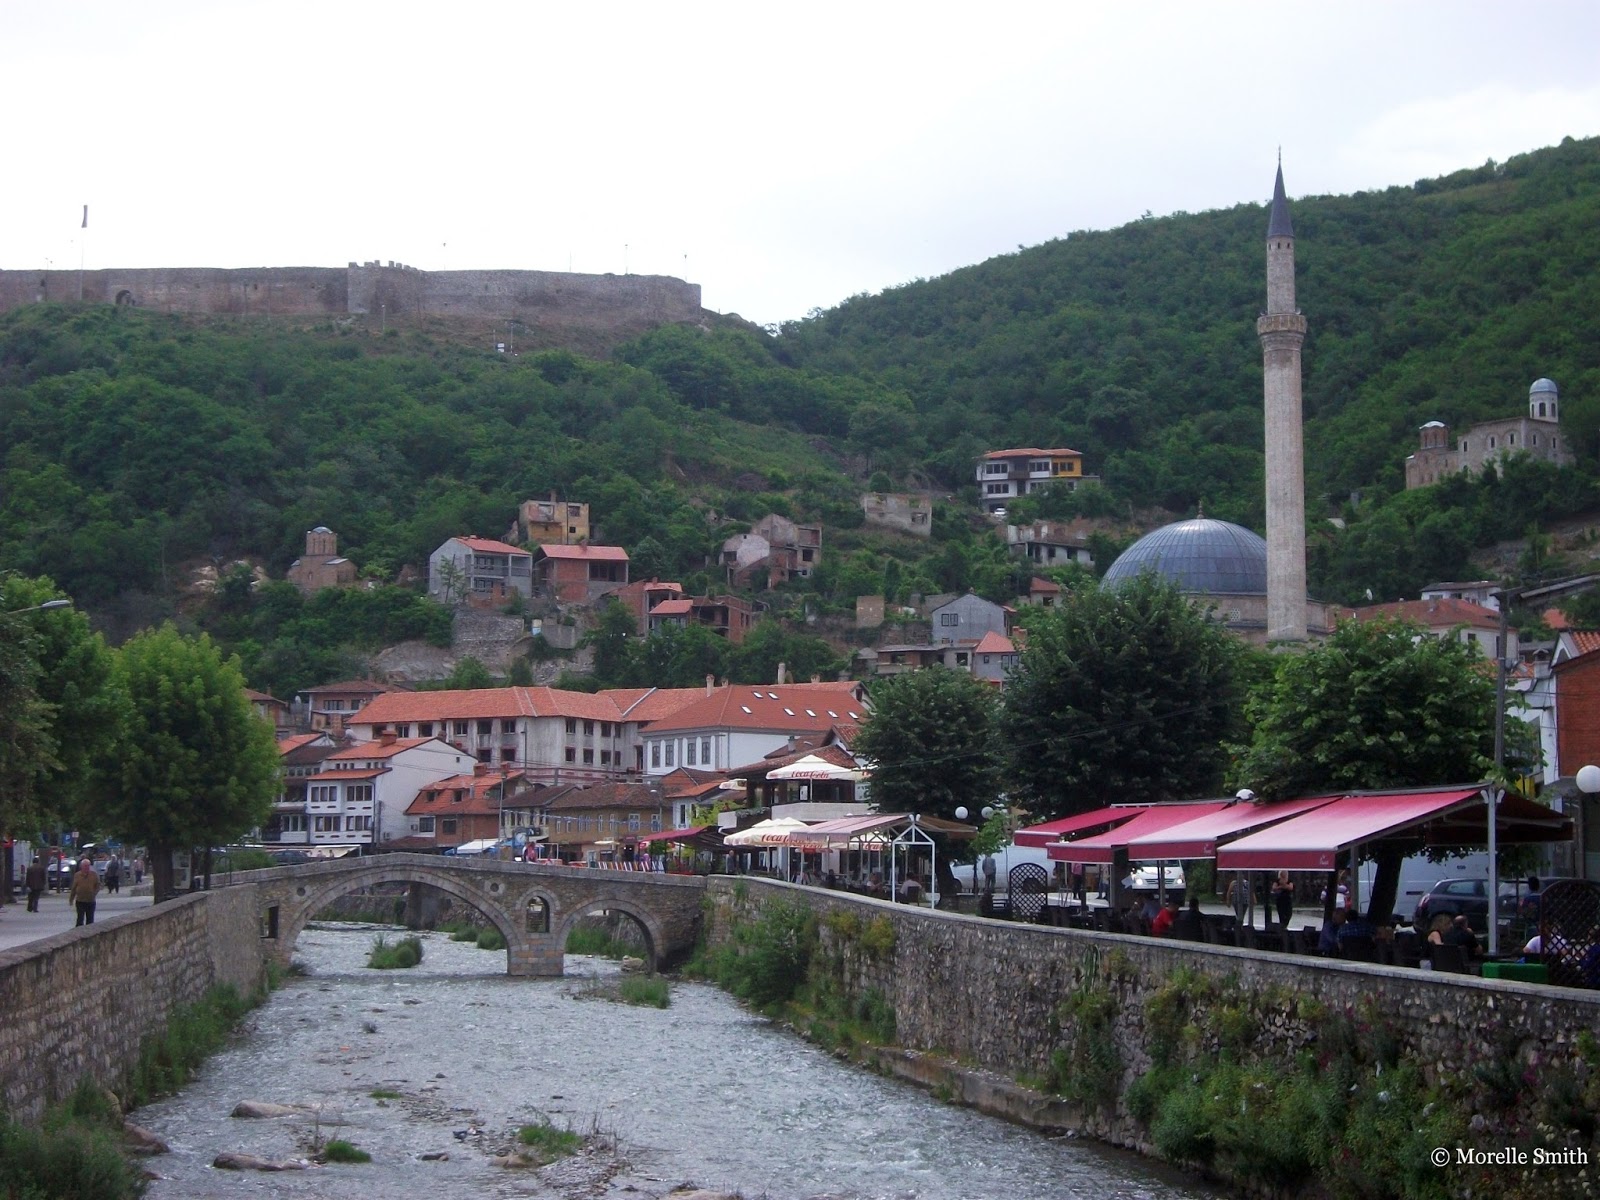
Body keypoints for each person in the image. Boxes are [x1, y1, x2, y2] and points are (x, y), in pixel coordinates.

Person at [69, 857, 101, 926]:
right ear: (81, 867)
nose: (87, 868)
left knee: (90, 919)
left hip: (90, 901)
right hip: (80, 900)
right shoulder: (77, 875)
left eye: (88, 866)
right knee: (80, 919)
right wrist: (71, 899)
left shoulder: (94, 875)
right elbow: (74, 888)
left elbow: (98, 885)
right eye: (85, 866)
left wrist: (94, 893)